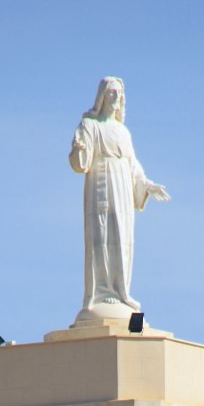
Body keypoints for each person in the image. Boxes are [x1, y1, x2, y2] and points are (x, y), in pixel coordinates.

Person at [69, 77, 169, 317]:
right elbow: (80, 163)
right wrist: (79, 151)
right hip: (101, 185)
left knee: (122, 237)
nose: (116, 97)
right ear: (103, 96)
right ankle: (101, 292)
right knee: (101, 236)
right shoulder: (90, 126)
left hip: (123, 189)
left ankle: (121, 291)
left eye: (119, 93)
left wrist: (146, 185)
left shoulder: (123, 132)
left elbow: (133, 164)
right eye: (112, 92)